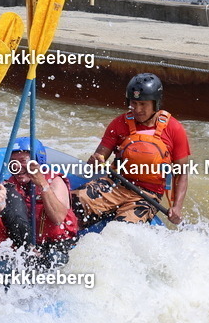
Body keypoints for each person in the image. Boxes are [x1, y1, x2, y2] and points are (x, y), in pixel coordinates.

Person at [72, 73, 191, 226]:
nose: (137, 109)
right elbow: (95, 162)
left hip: (147, 195)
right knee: (73, 204)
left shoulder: (174, 128)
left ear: (156, 104)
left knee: (123, 230)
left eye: (143, 104)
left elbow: (182, 174)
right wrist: (95, 160)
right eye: (133, 103)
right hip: (115, 184)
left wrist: (177, 207)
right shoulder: (119, 123)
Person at [7, 137, 78, 269]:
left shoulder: (55, 182)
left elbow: (58, 218)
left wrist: (42, 184)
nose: (17, 167)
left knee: (54, 259)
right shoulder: (10, 185)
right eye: (13, 162)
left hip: (58, 245)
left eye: (23, 161)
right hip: (27, 244)